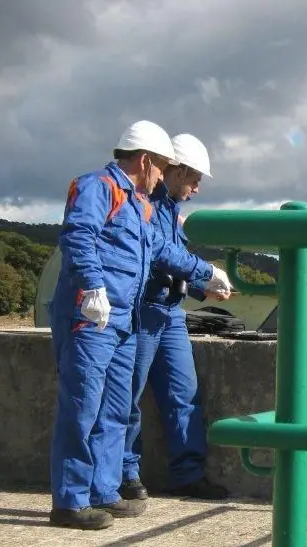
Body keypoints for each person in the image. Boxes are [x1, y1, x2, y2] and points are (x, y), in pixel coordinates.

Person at [47, 121, 232, 530]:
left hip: (126, 317)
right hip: (92, 314)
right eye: (161, 166)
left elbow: (161, 250)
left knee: (113, 408)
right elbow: (78, 235)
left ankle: (104, 491)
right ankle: (71, 500)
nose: (162, 175)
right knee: (82, 407)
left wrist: (205, 272)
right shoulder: (98, 187)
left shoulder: (140, 203)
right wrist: (91, 286)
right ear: (147, 160)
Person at [119, 133, 232, 503]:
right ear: (177, 169)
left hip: (171, 312)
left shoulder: (170, 210)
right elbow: (158, 253)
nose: (197, 188)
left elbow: (171, 262)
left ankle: (188, 474)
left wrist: (202, 288)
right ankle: (125, 475)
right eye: (195, 179)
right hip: (143, 311)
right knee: (128, 395)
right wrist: (208, 271)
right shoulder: (144, 202)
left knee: (184, 394)